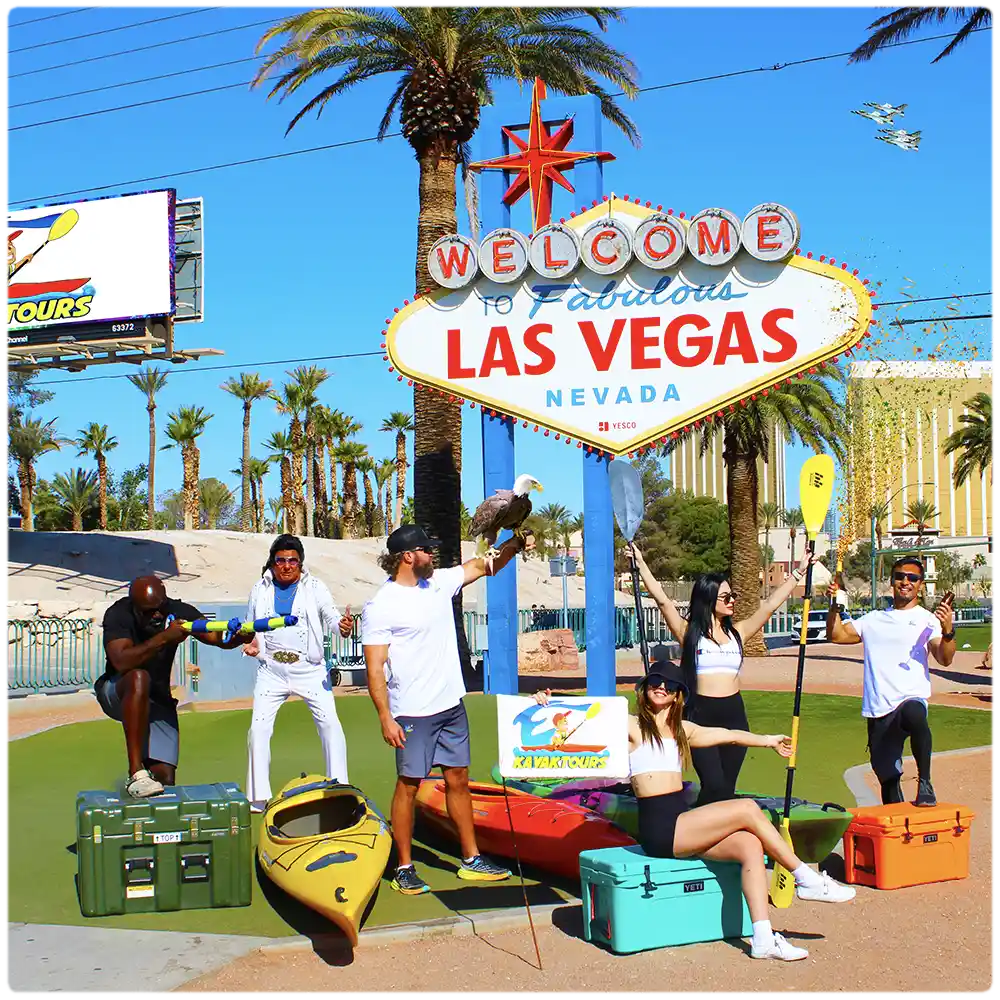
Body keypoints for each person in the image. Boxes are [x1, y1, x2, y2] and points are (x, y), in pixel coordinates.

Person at [536, 659, 856, 962]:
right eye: (655, 681)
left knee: (749, 845)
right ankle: (806, 878)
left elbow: (728, 736)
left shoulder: (682, 731)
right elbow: (586, 716)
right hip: (661, 828)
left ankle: (762, 938)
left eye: (669, 684)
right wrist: (548, 703)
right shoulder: (632, 726)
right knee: (745, 808)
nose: (661, 687)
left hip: (680, 824)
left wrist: (768, 740)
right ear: (645, 688)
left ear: (678, 696)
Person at [362, 523, 534, 895]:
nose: (431, 555)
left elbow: (483, 565)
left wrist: (515, 543)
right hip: (412, 713)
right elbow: (374, 667)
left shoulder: (439, 582)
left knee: (458, 780)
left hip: (451, 706)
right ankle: (403, 867)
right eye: (425, 549)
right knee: (409, 786)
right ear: (407, 556)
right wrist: (385, 716)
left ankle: (471, 859)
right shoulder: (382, 606)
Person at [630, 543, 815, 805]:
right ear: (708, 600)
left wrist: (799, 572)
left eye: (733, 595)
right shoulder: (689, 634)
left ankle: (716, 838)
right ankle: (694, 832)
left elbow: (770, 606)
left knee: (727, 787)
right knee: (714, 784)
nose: (733, 601)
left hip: (734, 713)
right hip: (700, 714)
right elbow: (662, 600)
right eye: (726, 597)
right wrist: (640, 564)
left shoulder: (737, 633)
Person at [97, 576, 253, 797]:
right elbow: (121, 661)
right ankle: (136, 773)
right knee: (139, 677)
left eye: (160, 608)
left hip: (157, 699)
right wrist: (164, 637)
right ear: (135, 607)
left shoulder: (179, 611)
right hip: (117, 691)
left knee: (164, 778)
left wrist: (239, 637)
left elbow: (216, 637)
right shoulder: (118, 614)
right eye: (149, 612)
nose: (157, 615)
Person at [825, 556, 955, 807]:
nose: (905, 582)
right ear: (892, 581)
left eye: (913, 578)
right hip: (878, 709)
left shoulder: (928, 620)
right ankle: (897, 831)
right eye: (900, 576)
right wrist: (835, 606)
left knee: (915, 712)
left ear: (921, 584)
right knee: (888, 778)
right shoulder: (873, 619)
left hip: (909, 699)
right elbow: (837, 635)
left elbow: (945, 658)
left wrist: (948, 630)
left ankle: (925, 782)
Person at [243, 534, 354, 812]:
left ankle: (339, 787)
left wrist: (342, 626)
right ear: (273, 561)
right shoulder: (260, 588)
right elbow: (250, 626)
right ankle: (257, 797)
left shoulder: (315, 587)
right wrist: (252, 644)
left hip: (310, 670)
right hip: (272, 671)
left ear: (300, 563)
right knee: (258, 729)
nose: (286, 566)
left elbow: (330, 616)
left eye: (292, 560)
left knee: (330, 725)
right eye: (280, 560)